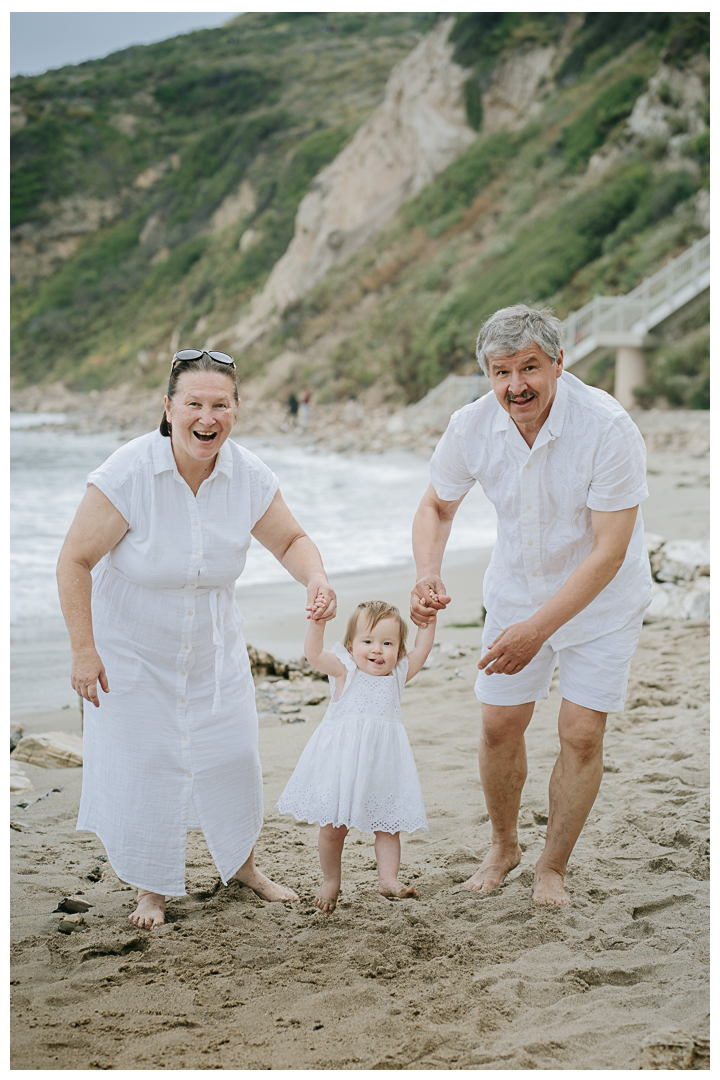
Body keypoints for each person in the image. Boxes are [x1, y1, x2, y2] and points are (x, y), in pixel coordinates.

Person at [56, 348, 337, 931]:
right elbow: (75, 560)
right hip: (130, 647)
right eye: (194, 404)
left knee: (232, 754)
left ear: (235, 411)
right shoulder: (130, 471)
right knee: (148, 764)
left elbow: (290, 541)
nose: (206, 417)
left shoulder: (248, 475)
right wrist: (85, 650)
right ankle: (152, 890)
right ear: (168, 407)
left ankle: (243, 868)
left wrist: (316, 577)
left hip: (211, 647)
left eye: (220, 404)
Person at [411, 304, 653, 906]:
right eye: (501, 372)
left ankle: (552, 867)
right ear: (487, 375)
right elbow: (437, 506)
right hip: (517, 590)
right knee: (499, 725)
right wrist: (427, 573)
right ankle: (504, 845)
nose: (516, 385)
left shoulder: (607, 426)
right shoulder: (471, 426)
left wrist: (535, 633)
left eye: (529, 368)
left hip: (604, 599)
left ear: (558, 364)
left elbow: (608, 552)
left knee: (580, 733)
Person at [276, 599, 435, 913]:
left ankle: (388, 878)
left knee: (389, 826)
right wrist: (317, 622)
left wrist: (429, 619)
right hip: (343, 767)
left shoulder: (398, 675)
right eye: (368, 642)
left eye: (388, 643)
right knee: (334, 828)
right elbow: (314, 654)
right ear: (350, 646)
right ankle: (330, 881)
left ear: (400, 650)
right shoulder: (345, 670)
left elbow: (422, 649)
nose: (377, 650)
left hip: (384, 768)